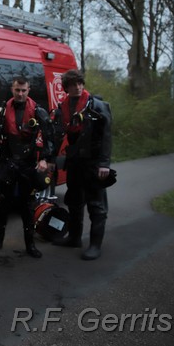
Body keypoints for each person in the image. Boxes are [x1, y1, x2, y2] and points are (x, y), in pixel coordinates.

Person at [0, 76, 55, 258]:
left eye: (23, 90)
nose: (20, 94)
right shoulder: (1, 111)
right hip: (6, 162)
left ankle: (30, 244)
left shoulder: (38, 111)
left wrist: (45, 158)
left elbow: (50, 136)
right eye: (17, 90)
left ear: (28, 90)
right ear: (12, 90)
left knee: (27, 206)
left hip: (28, 165)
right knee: (3, 204)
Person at [53, 69, 113, 260]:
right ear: (66, 88)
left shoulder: (97, 105)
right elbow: (55, 135)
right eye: (73, 85)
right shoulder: (63, 107)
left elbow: (106, 136)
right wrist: (49, 159)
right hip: (75, 162)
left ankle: (95, 245)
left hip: (94, 163)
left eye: (80, 84)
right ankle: (74, 237)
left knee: (96, 205)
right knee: (74, 201)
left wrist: (104, 163)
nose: (77, 87)